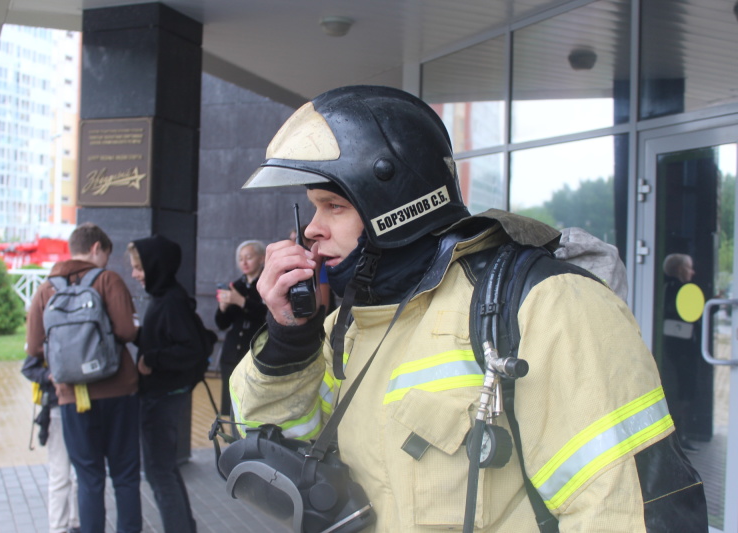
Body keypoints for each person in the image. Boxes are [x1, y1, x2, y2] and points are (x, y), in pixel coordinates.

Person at [229, 86, 707, 531]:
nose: (312, 229)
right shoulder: (350, 323)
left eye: (332, 205)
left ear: (393, 202)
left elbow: (619, 508)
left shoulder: (546, 304)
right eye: (313, 208)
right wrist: (290, 337)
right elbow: (281, 441)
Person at [26, 222, 141, 533]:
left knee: (89, 479)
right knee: (126, 477)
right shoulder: (108, 280)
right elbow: (127, 332)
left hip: (72, 397)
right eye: (106, 254)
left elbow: (35, 346)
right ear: (96, 249)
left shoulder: (45, 289)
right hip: (119, 392)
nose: (106, 261)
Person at [127, 235, 210, 533]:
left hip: (161, 397)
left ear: (155, 265)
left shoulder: (170, 301)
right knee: (165, 469)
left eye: (139, 267)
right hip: (163, 394)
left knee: (159, 472)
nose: (135, 274)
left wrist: (152, 357)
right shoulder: (165, 296)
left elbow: (190, 350)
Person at [21, 355, 81, 533]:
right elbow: (29, 368)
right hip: (58, 407)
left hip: (84, 406)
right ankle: (59, 526)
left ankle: (75, 522)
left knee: (80, 474)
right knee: (61, 472)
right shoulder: (45, 333)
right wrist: (50, 375)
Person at [214, 240, 267, 417]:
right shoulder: (235, 286)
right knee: (231, 406)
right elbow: (222, 324)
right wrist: (223, 308)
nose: (243, 262)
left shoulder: (267, 283)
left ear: (261, 259)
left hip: (256, 352)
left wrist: (241, 302)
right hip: (232, 352)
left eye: (249, 257)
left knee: (252, 407)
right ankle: (234, 442)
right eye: (240, 258)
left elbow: (268, 315)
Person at [661, 253, 701, 453]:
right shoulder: (685, 291)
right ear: (679, 270)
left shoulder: (661, 289)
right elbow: (695, 316)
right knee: (683, 392)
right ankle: (680, 436)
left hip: (668, 351)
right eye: (689, 267)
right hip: (682, 353)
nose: (692, 272)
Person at [290, 225, 337, 314]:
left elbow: (324, 304)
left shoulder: (318, 266)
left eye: (296, 240)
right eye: (291, 240)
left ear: (311, 242)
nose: (293, 244)